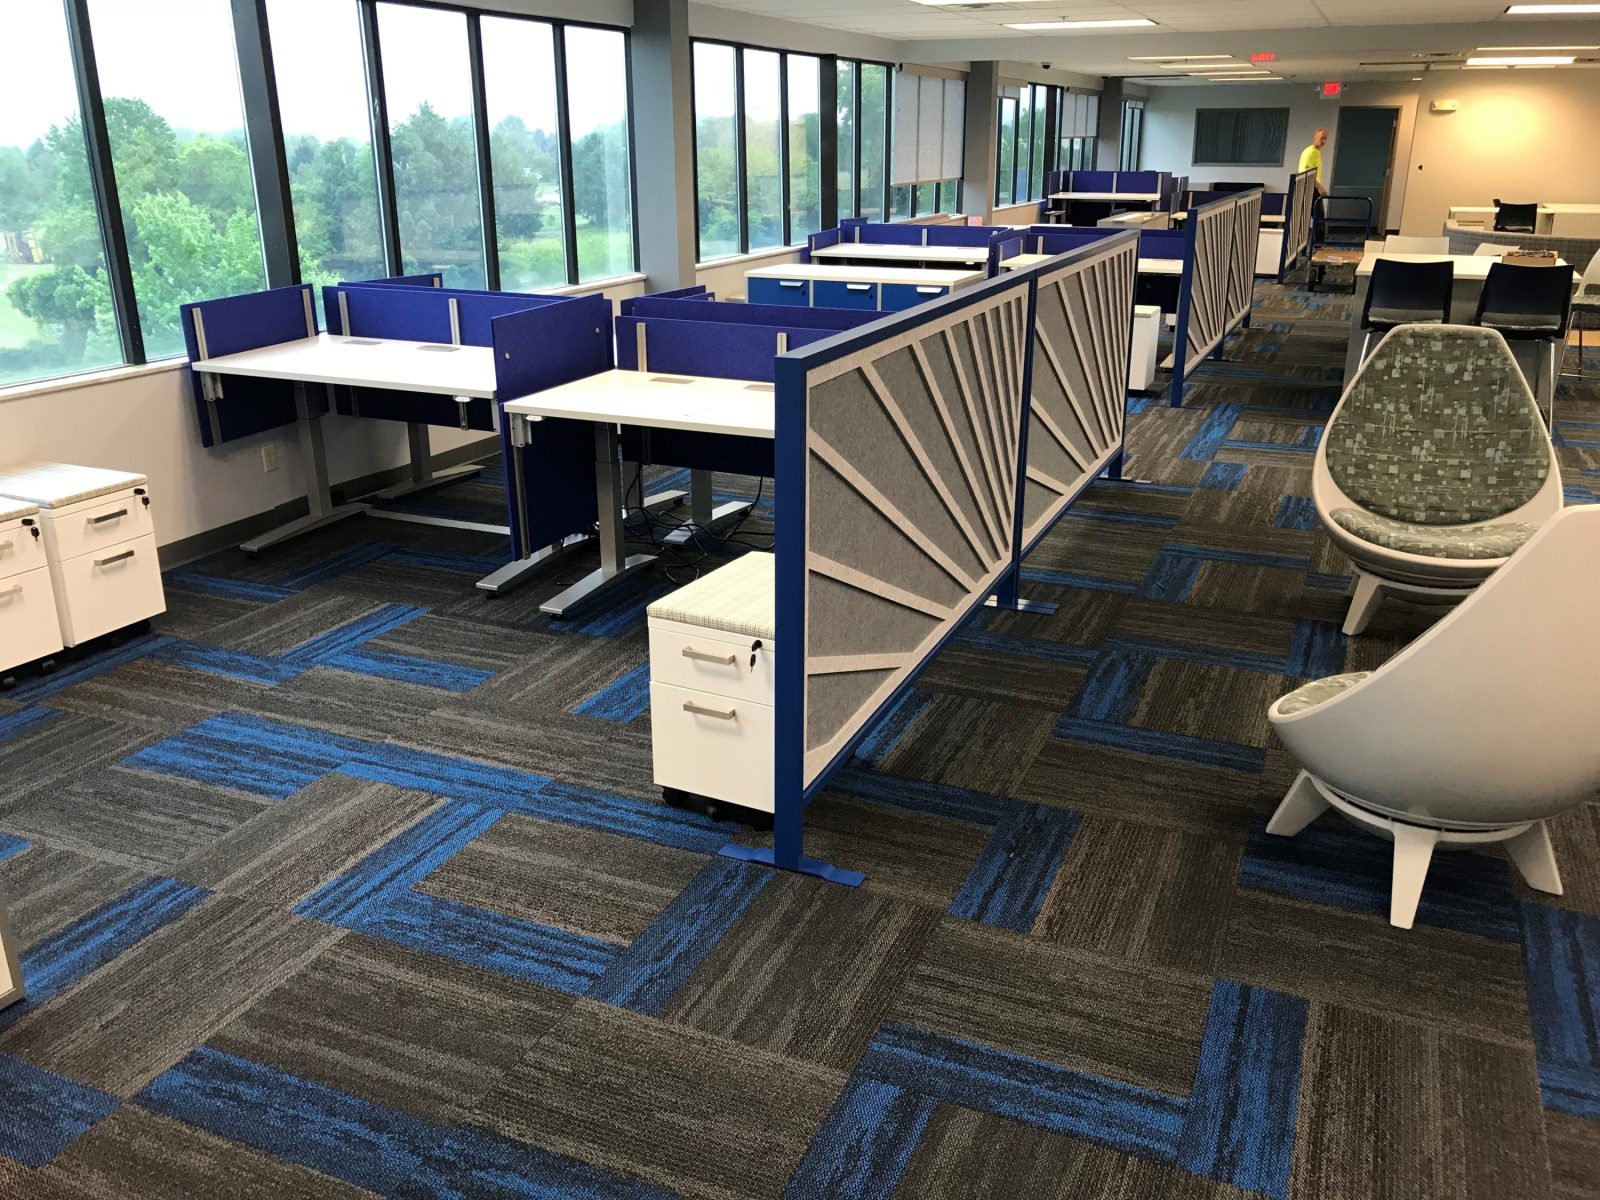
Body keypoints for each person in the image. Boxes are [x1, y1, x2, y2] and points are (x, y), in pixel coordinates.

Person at [1298, 127, 1329, 196]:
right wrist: (1320, 187)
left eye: (1325, 139)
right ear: (1316, 137)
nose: (1323, 141)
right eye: (1322, 138)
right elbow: (1306, 173)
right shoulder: (1310, 152)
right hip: (1309, 188)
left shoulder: (1316, 152)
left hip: (1313, 188)